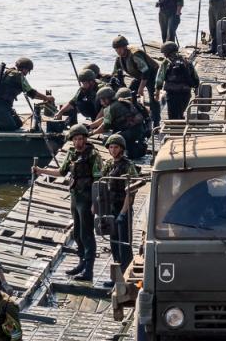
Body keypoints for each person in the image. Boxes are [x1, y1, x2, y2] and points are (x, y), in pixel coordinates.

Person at [34, 124, 102, 281]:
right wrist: (41, 171)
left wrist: (95, 202)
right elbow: (61, 172)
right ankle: (81, 262)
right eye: (75, 139)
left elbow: (98, 180)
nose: (78, 142)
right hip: (75, 197)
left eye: (80, 139)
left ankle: (89, 270)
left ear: (85, 139)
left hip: (87, 198)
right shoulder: (71, 154)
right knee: (77, 233)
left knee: (87, 234)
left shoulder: (93, 155)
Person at [102, 134, 140, 273]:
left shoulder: (128, 166)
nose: (113, 150)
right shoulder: (109, 164)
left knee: (124, 244)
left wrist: (123, 213)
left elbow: (131, 192)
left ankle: (126, 273)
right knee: (113, 242)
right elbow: (101, 182)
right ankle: (117, 273)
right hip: (111, 207)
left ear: (121, 148)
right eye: (111, 147)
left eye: (116, 147)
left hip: (123, 208)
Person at [0, 57, 53, 132]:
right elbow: (32, 92)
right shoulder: (18, 76)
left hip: (2, 104)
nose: (27, 73)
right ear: (24, 69)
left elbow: (30, 94)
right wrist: (47, 98)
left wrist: (44, 98)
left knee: (18, 124)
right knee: (10, 127)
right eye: (28, 70)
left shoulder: (9, 72)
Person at [109, 36, 160, 128]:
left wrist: (141, 88)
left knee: (153, 99)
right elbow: (115, 73)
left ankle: (156, 123)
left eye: (119, 48)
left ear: (125, 47)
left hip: (151, 75)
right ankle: (136, 116)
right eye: (116, 49)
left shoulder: (135, 55)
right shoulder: (120, 58)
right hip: (139, 76)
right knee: (128, 94)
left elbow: (146, 71)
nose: (118, 51)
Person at [90, 86, 147, 160]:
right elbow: (104, 119)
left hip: (131, 132)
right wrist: (90, 126)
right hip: (140, 129)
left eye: (101, 100)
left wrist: (91, 133)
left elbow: (104, 127)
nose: (101, 103)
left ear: (106, 99)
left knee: (109, 140)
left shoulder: (110, 108)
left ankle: (125, 155)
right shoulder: (120, 102)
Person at [155, 41, 199, 121]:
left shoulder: (166, 63)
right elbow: (195, 78)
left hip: (172, 94)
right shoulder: (187, 62)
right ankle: (181, 125)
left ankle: (176, 128)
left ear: (167, 53)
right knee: (180, 113)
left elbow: (160, 78)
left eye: (164, 53)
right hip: (185, 93)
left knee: (173, 117)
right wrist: (196, 94)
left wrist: (157, 92)